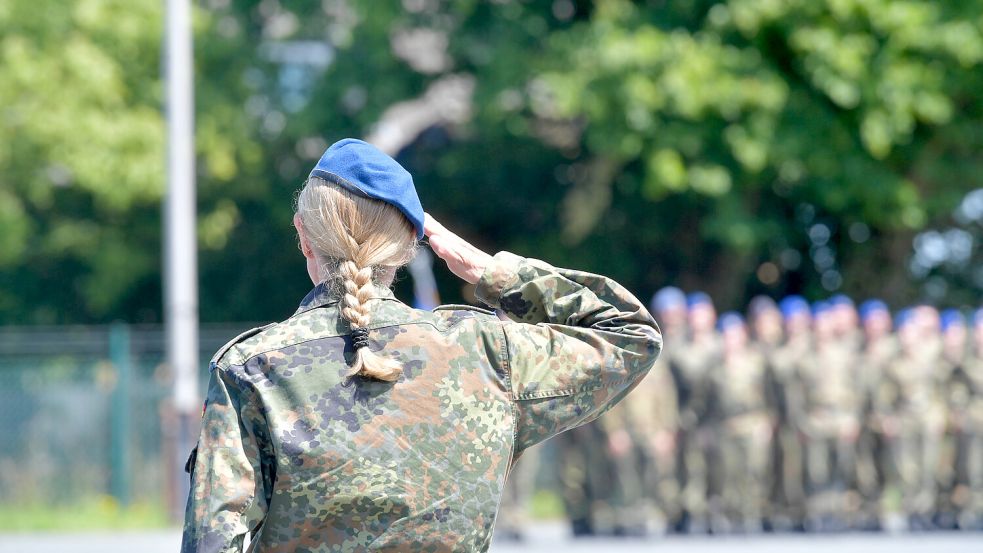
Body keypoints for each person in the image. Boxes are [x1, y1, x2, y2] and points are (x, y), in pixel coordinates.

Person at [180, 139, 663, 552]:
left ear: (304, 237)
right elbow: (631, 336)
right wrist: (492, 273)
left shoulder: (253, 368)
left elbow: (212, 541)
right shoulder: (485, 353)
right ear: (412, 245)